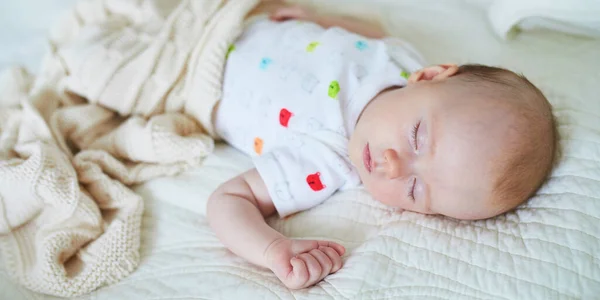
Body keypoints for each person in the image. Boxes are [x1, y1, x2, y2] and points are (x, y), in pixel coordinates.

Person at [207, 1, 557, 289]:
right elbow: (374, 33)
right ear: (431, 76)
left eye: (415, 189)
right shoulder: (399, 63)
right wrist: (316, 18)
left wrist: (272, 250)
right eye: (417, 136)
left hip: (187, 74)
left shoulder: (325, 162)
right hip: (234, 16)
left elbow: (230, 199)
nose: (394, 165)